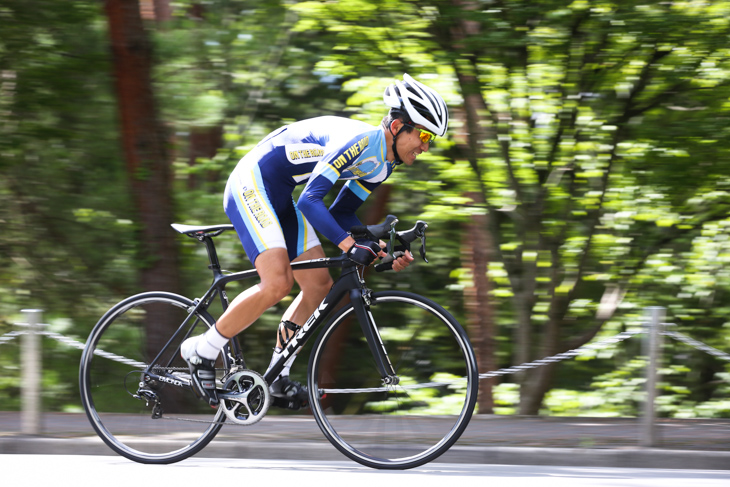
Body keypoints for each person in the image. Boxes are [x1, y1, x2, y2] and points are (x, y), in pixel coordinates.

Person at [181, 73, 449, 408]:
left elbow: (341, 214)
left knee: (319, 285)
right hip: (251, 182)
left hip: (280, 194)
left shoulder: (383, 165)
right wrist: (350, 246)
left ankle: (277, 378)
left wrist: (384, 246)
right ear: (397, 127)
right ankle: (202, 349)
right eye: (423, 135)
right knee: (277, 282)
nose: (426, 146)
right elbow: (311, 200)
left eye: (430, 139)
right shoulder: (361, 142)